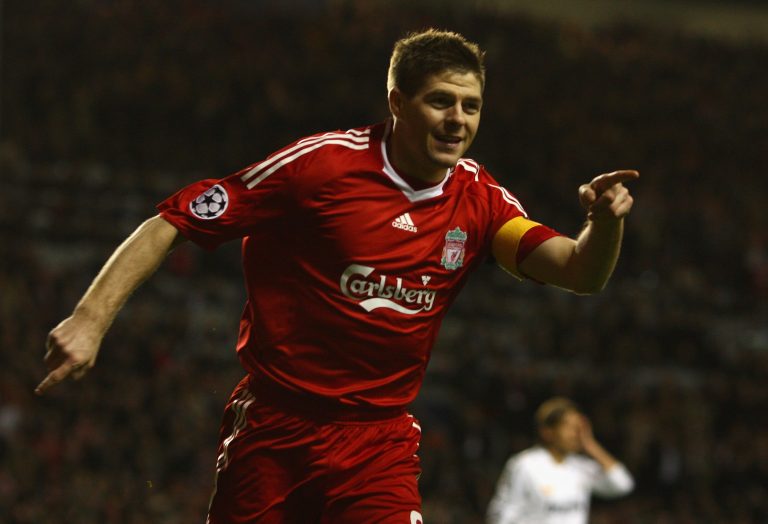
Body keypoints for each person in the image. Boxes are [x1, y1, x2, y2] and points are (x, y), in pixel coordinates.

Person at [37, 29, 637, 523]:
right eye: (441, 101)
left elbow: (580, 273)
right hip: (276, 431)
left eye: (471, 105)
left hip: (380, 443)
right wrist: (90, 319)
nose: (458, 120)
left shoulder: (480, 202)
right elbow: (173, 220)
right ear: (398, 103)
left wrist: (604, 225)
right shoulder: (320, 168)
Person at [486, 397, 635, 524]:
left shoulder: (581, 466)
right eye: (570, 427)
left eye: (579, 428)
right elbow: (501, 515)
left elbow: (623, 484)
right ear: (548, 432)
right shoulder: (525, 465)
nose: (577, 434)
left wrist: (590, 445)